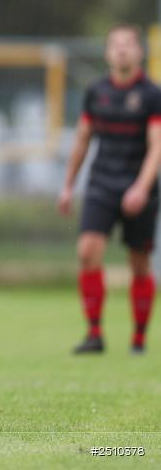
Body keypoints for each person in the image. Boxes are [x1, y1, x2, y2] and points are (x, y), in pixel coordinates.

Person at [58, 24, 161, 355]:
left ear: (139, 51)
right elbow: (82, 140)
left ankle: (139, 339)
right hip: (101, 183)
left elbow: (157, 146)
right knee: (87, 252)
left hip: (138, 187)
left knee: (139, 264)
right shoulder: (96, 92)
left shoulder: (152, 95)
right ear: (107, 53)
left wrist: (141, 188)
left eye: (128, 44)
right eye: (115, 45)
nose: (122, 50)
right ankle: (94, 334)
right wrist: (68, 185)